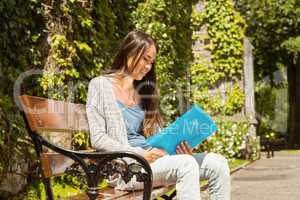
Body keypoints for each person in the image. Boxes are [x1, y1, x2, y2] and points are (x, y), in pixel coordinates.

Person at [86, 30, 231, 200]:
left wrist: (178, 147)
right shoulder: (100, 85)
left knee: (218, 163)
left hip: (155, 160)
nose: (148, 67)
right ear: (129, 51)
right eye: (145, 59)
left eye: (152, 62)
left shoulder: (144, 92)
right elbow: (98, 138)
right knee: (186, 164)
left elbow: (158, 137)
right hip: (128, 169)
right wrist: (138, 153)